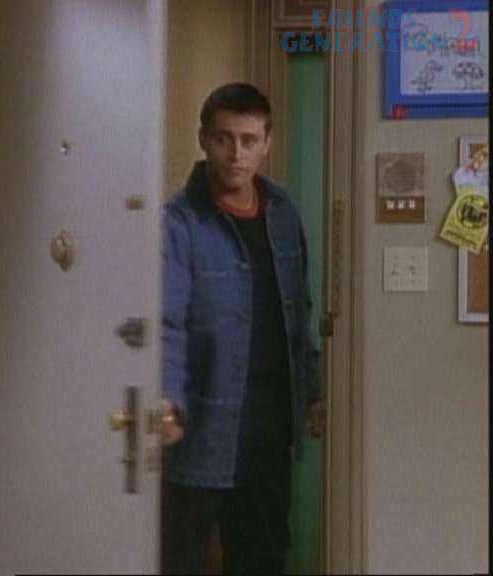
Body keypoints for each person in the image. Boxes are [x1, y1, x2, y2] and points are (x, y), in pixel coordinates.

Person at [160, 82, 325, 575]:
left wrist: (312, 391)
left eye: (249, 140)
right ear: (204, 140)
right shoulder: (180, 221)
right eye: (223, 139)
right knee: (183, 559)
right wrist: (168, 401)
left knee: (262, 557)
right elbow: (167, 322)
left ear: (266, 142)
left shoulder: (282, 213)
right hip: (202, 425)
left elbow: (299, 313)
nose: (236, 154)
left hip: (269, 426)